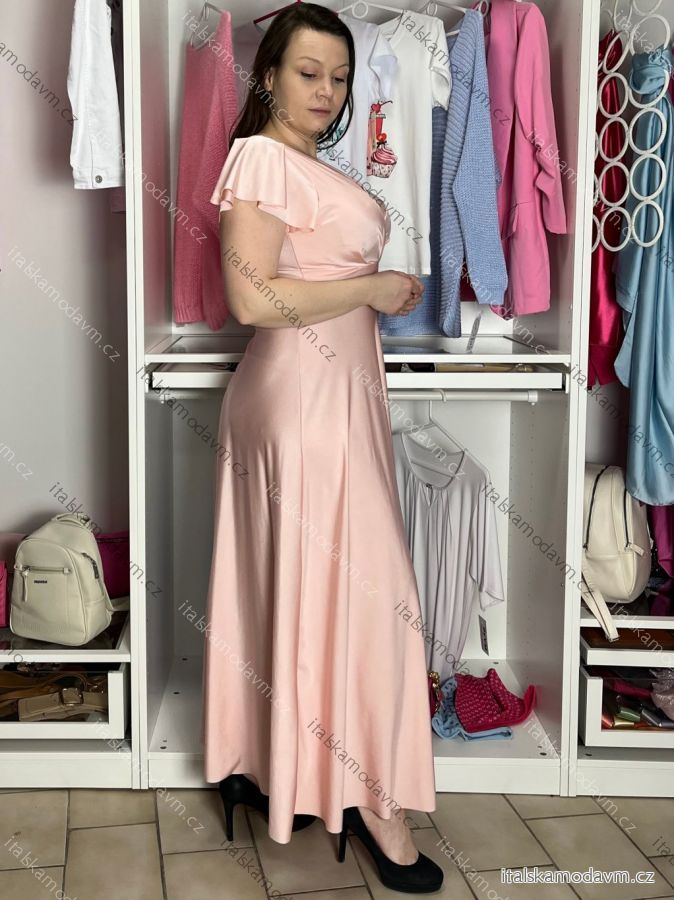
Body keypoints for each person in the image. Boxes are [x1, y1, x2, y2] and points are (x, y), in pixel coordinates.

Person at [201, 4, 443, 893]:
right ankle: (376, 806)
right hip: (300, 403)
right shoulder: (263, 158)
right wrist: (370, 287)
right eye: (308, 73)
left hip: (336, 399)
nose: (328, 91)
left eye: (339, 77)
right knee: (379, 601)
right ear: (267, 75)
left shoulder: (304, 164)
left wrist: (367, 289)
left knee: (323, 592)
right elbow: (252, 301)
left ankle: (289, 770)